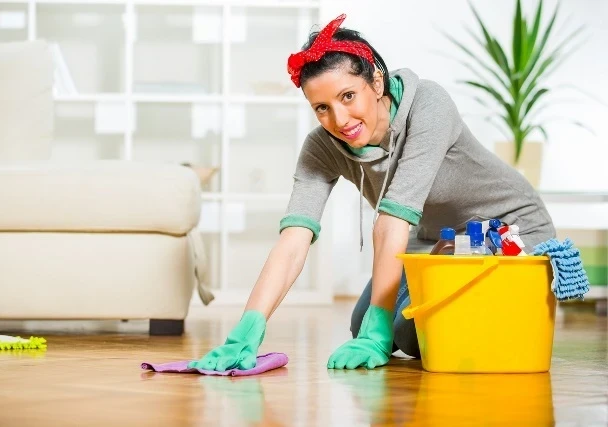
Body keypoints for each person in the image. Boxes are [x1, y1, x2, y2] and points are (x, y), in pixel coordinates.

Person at [188, 13, 556, 371]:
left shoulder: (429, 105)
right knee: (362, 323)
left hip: (509, 232)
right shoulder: (321, 147)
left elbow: (393, 220)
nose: (340, 120)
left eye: (348, 96)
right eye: (322, 108)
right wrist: (248, 328)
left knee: (409, 334)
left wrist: (379, 332)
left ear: (377, 83)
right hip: (437, 242)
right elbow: (294, 240)